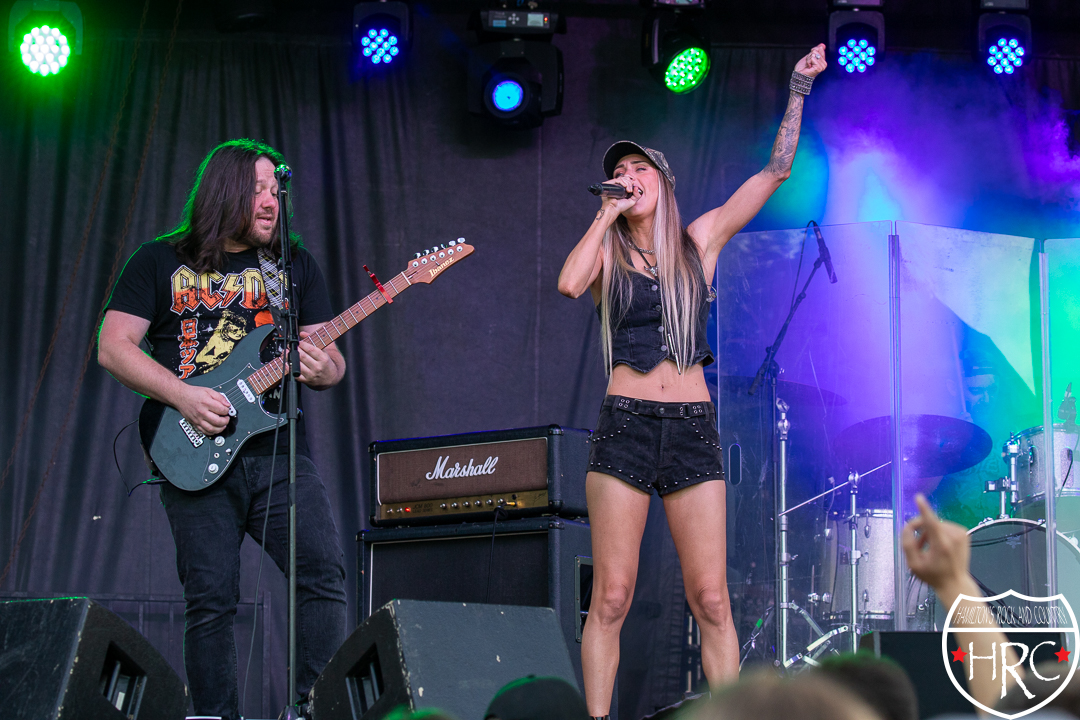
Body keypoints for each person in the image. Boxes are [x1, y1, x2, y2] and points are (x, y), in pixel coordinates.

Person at [556, 46, 828, 717]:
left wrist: (797, 88)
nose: (627, 178)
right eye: (618, 173)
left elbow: (776, 171)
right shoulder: (608, 254)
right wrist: (604, 215)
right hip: (624, 426)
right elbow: (568, 284)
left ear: (664, 183)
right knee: (611, 596)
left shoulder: (699, 242)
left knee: (711, 598)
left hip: (690, 430)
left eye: (638, 170)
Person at [98, 139, 348, 719]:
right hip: (193, 449)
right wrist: (183, 396)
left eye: (275, 191)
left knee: (323, 573)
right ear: (224, 191)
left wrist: (324, 369)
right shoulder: (159, 260)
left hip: (278, 450)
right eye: (257, 190)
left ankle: (310, 709)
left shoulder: (292, 267)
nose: (271, 202)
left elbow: (330, 360)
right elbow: (113, 347)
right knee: (211, 599)